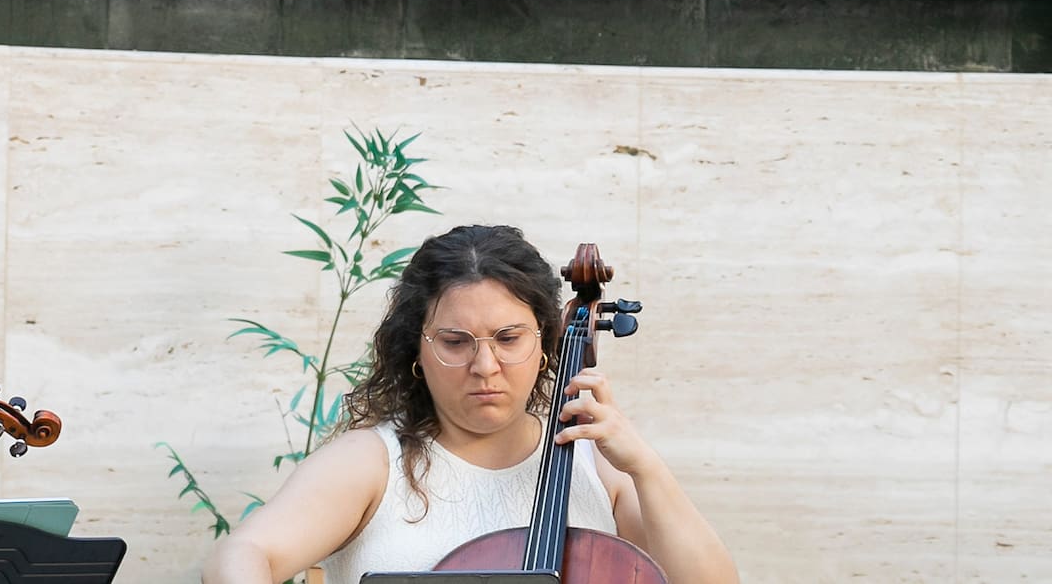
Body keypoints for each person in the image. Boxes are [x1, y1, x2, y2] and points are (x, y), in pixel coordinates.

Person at [202, 224, 737, 584]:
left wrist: (644, 465)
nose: (485, 366)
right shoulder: (371, 464)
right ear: (418, 347)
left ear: (547, 340)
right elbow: (243, 553)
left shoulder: (598, 469)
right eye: (456, 342)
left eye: (508, 339)